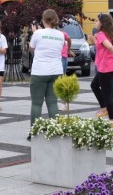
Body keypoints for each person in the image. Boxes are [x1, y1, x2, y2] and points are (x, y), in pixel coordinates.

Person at [28, 9, 64, 141]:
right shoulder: (60, 35)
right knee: (52, 102)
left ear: (43, 20)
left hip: (40, 71)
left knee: (37, 103)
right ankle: (55, 130)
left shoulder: (38, 33)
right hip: (56, 71)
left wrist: (34, 33)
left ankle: (34, 132)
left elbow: (32, 49)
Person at [58, 31, 75, 111]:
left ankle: (64, 103)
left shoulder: (61, 33)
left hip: (62, 57)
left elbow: (69, 39)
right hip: (54, 58)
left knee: (62, 80)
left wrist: (68, 50)